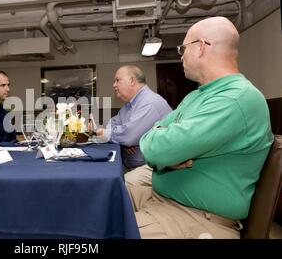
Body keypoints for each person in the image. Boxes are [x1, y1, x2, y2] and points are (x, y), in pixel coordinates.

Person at [126, 16, 274, 239]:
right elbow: (152, 140)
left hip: (194, 216)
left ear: (200, 48)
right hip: (167, 197)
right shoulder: (197, 95)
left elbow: (158, 149)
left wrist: (163, 146)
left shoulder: (235, 99)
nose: (181, 56)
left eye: (182, 49)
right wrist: (162, 145)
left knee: (102, 233)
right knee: (104, 198)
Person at [89, 65, 172, 170]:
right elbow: (114, 122)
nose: (114, 85)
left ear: (132, 80)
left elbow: (128, 136)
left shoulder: (149, 103)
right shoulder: (129, 104)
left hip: (152, 170)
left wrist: (124, 138)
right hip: (131, 165)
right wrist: (124, 141)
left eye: (117, 80)